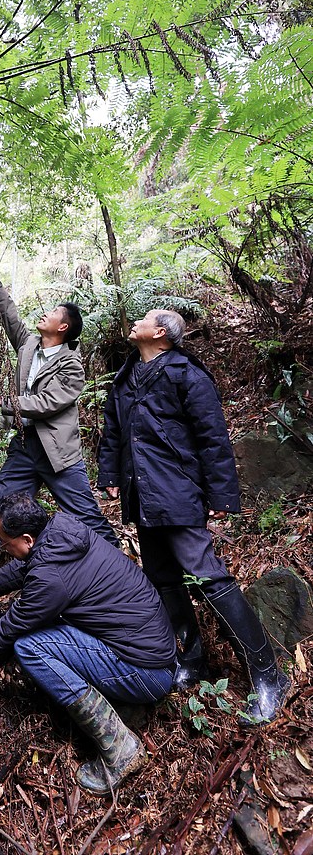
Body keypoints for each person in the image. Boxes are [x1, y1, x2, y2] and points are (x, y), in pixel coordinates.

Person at [97, 309, 290, 724]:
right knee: (163, 578)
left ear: (161, 333)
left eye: (145, 319)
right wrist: (111, 474)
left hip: (178, 490)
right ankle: (193, 660)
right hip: (142, 494)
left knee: (209, 575)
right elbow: (113, 431)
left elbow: (212, 436)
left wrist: (221, 493)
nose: (136, 322)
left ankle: (269, 675)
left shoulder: (186, 374)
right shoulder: (127, 375)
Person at [0, 492, 176, 793]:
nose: (4, 548)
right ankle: (121, 703)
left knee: (30, 647)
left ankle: (121, 747)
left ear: (28, 538)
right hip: (151, 653)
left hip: (145, 672)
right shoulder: (61, 532)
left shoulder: (50, 579)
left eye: (5, 543)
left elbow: (12, 626)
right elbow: (29, 565)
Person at [0, 255, 118, 614]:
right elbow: (9, 314)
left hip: (58, 455)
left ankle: (119, 569)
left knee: (86, 514)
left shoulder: (72, 365)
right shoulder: (28, 346)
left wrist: (5, 400)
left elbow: (49, 402)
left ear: (63, 327)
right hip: (24, 447)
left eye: (52, 313)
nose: (44, 314)